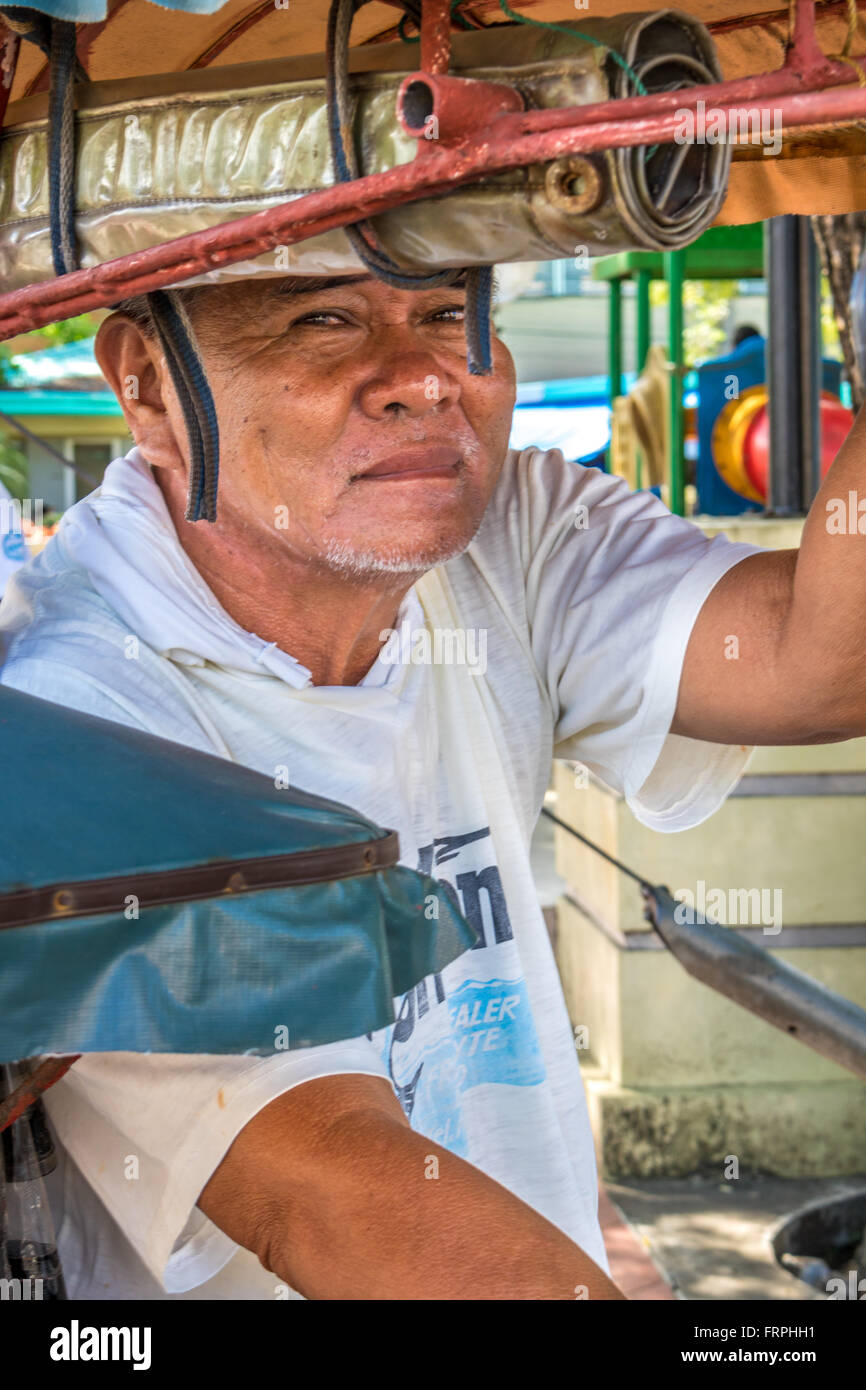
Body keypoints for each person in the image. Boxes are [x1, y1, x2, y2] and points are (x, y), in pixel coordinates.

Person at [0, 271, 863, 1301]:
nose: (420, 378)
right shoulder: (72, 711)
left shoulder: (506, 534)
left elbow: (819, 660)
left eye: (451, 313)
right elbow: (345, 1198)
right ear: (146, 383)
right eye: (320, 319)